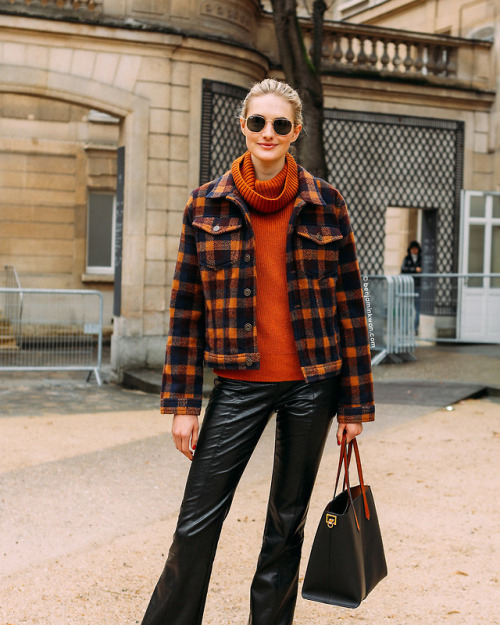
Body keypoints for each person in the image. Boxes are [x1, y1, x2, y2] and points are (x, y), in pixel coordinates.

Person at [140, 78, 375, 625]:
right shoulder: (205, 203)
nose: (268, 133)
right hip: (238, 383)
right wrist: (183, 402)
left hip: (312, 383)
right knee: (196, 520)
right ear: (242, 126)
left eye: (280, 124)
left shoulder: (327, 203)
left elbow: (350, 310)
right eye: (258, 122)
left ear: (296, 132)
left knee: (286, 522)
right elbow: (186, 310)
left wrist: (355, 407)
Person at [401, 240, 422, 332]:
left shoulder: (421, 259)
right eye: (412, 249)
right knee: (406, 307)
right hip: (408, 286)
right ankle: (405, 328)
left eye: (415, 249)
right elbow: (403, 269)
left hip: (417, 285)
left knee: (417, 308)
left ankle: (415, 327)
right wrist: (414, 269)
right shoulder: (407, 259)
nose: (414, 250)